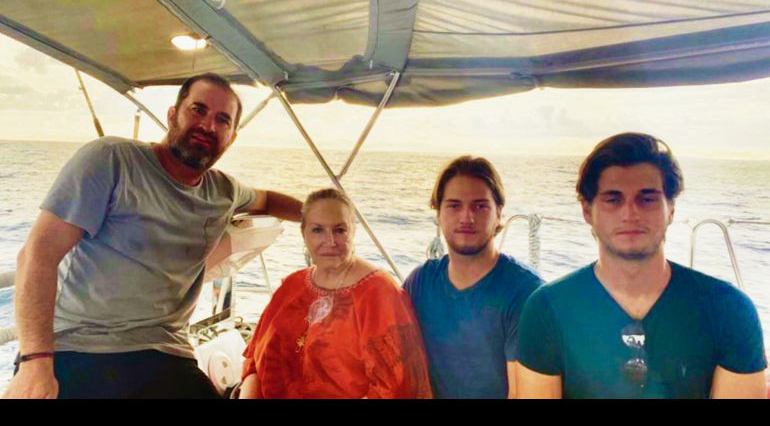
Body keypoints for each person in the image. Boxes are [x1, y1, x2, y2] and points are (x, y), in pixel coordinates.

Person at [3, 73, 303, 399]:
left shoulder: (224, 191)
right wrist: (35, 361)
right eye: (198, 110)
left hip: (165, 352)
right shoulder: (111, 160)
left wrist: (322, 223)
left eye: (222, 120)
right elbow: (37, 256)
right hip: (78, 346)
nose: (207, 125)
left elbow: (270, 200)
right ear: (173, 115)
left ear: (230, 137)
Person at [516, 132, 768, 399]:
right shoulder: (548, 308)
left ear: (671, 209)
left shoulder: (729, 309)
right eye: (613, 199)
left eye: (647, 198)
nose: (630, 213)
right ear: (587, 212)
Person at [240, 188, 431, 399]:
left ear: (353, 231)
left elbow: (398, 388)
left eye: (339, 230)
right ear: (303, 233)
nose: (330, 241)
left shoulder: (379, 293)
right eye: (317, 230)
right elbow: (253, 362)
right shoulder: (292, 286)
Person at [403, 156, 543, 399]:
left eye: (480, 206)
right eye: (454, 206)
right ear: (438, 213)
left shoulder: (525, 293)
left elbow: (523, 394)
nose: (466, 217)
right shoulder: (420, 282)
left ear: (498, 213)